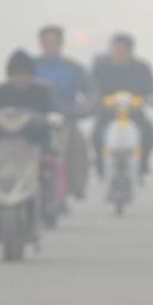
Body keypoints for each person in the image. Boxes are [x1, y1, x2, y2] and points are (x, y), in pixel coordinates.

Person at [35, 25, 94, 200]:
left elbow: (91, 93)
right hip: (34, 120)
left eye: (54, 42)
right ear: (41, 44)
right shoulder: (30, 66)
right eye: (46, 42)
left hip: (65, 120)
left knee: (80, 152)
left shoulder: (74, 68)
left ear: (61, 44)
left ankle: (74, 188)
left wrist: (81, 109)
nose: (50, 46)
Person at [91, 33, 153, 177]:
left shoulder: (142, 68)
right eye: (114, 50)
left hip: (134, 114)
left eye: (121, 51)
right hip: (108, 114)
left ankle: (142, 161)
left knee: (151, 134)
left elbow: (152, 92)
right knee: (96, 135)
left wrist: (150, 99)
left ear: (130, 51)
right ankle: (100, 161)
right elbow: (92, 89)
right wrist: (96, 100)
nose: (117, 53)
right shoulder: (100, 67)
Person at [0, 49, 61, 122]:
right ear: (10, 76)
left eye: (25, 74)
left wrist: (54, 119)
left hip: (38, 134)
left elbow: (56, 114)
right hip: (1, 134)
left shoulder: (43, 92)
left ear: (32, 76)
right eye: (16, 74)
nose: (21, 78)